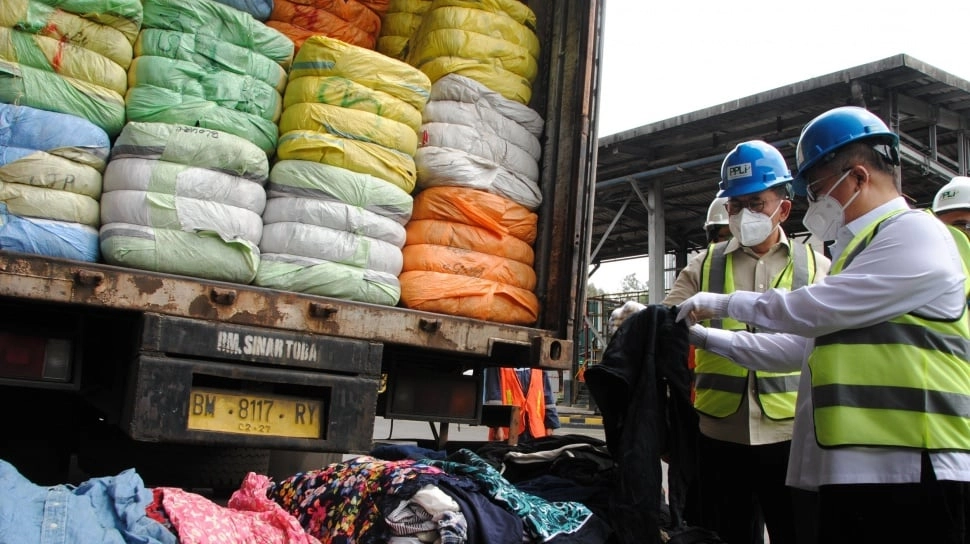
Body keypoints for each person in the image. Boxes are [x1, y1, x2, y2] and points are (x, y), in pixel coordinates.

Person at [676, 106, 970, 544]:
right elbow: (795, 348)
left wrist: (721, 301)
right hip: (861, 467)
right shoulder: (860, 251)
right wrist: (700, 335)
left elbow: (813, 310)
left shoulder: (914, 234)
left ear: (857, 177)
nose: (815, 201)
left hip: (917, 464)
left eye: (816, 187)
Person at [663, 140, 830, 544]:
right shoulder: (704, 264)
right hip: (719, 434)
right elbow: (666, 321)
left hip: (790, 436)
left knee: (798, 533)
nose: (743, 214)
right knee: (721, 536)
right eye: (735, 206)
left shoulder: (818, 266)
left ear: (783, 208)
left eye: (756, 202)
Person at [484, 367, 560, 441]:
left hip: (536, 431)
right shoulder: (498, 364)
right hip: (508, 432)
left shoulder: (538, 364)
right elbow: (493, 397)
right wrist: (497, 427)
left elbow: (547, 396)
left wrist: (550, 426)